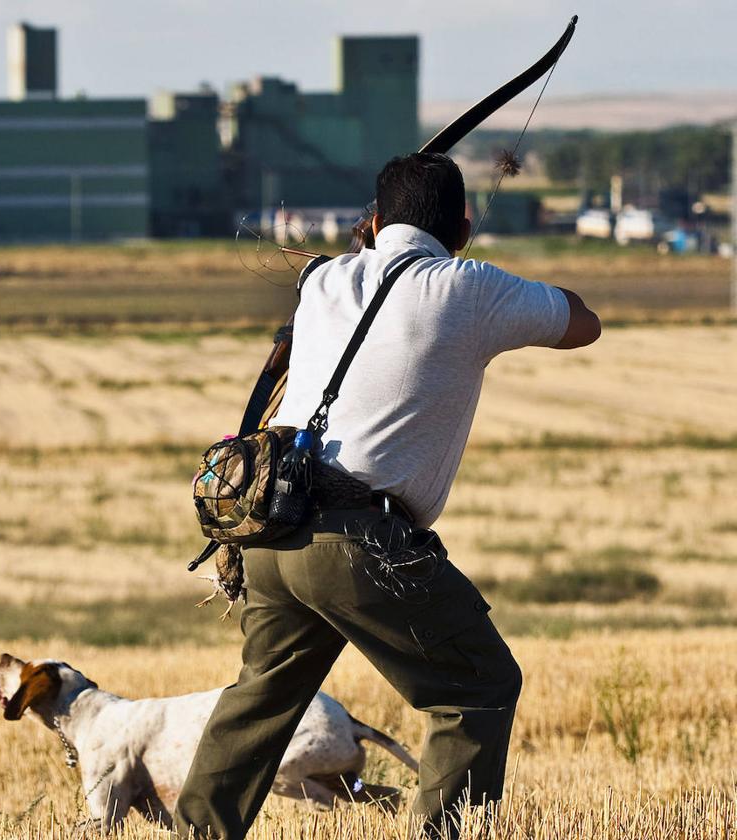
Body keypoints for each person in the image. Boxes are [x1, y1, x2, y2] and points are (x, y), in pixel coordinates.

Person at [174, 152, 601, 839]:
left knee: (260, 701)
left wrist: (364, 248)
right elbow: (583, 322)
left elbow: (341, 276)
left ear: (373, 222)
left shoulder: (322, 282)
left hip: (272, 535)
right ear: (462, 229)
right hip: (357, 543)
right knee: (477, 689)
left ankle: (198, 833)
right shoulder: (468, 286)